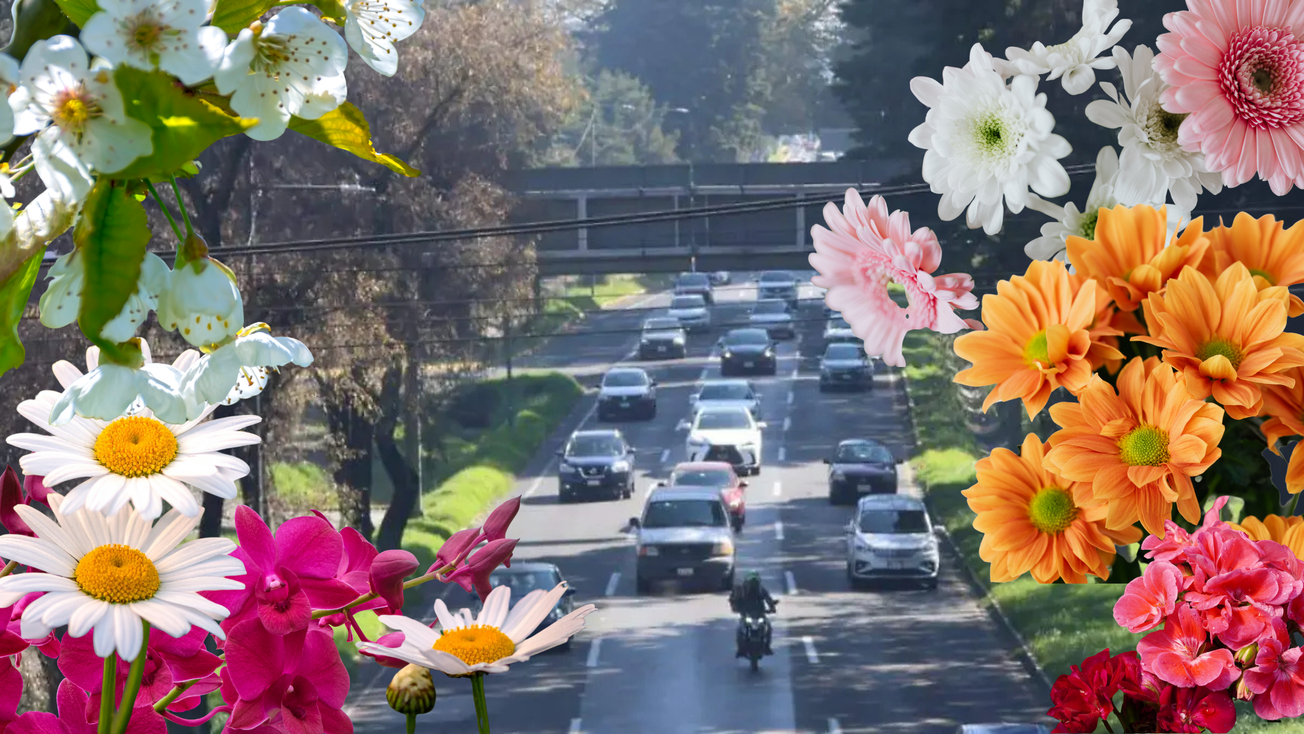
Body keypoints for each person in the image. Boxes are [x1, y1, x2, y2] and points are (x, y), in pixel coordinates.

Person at [729, 571, 777, 656]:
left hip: (760, 613)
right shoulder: (741, 591)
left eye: (754, 582)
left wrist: (772, 608)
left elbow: (768, 599)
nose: (753, 585)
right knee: (740, 629)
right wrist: (736, 608)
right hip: (746, 614)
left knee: (768, 627)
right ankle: (741, 649)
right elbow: (734, 600)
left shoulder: (761, 590)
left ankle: (767, 647)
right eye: (751, 582)